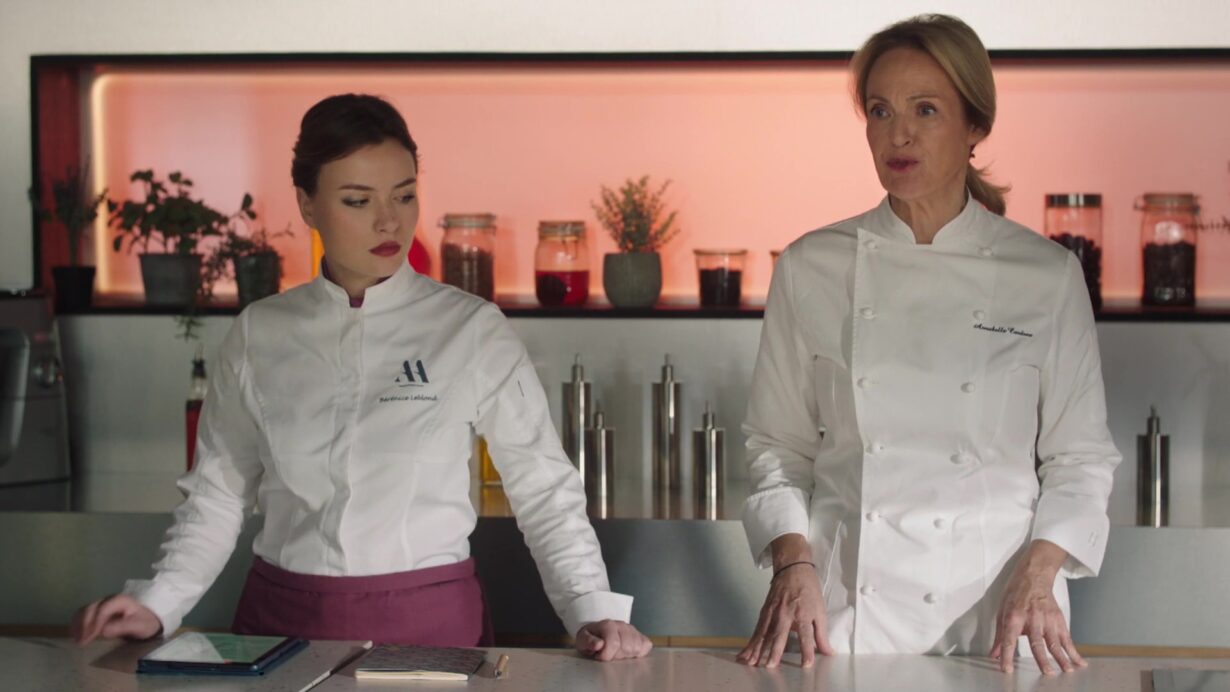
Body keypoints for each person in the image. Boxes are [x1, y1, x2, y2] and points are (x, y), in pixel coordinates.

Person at [71, 93, 652, 662]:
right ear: (307, 205)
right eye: (357, 200)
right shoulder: (259, 332)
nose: (388, 220)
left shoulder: (471, 329)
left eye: (405, 195)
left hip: (431, 634)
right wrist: (159, 601)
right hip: (279, 633)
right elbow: (218, 494)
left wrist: (591, 608)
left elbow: (542, 487)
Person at [737, 14, 1120, 674]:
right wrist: (792, 563)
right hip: (845, 616)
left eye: (926, 110)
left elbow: (1080, 457)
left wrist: (1042, 569)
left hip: (1005, 616)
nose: (899, 134)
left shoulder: (1046, 275)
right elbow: (778, 445)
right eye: (880, 111)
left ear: (975, 126)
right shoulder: (810, 266)